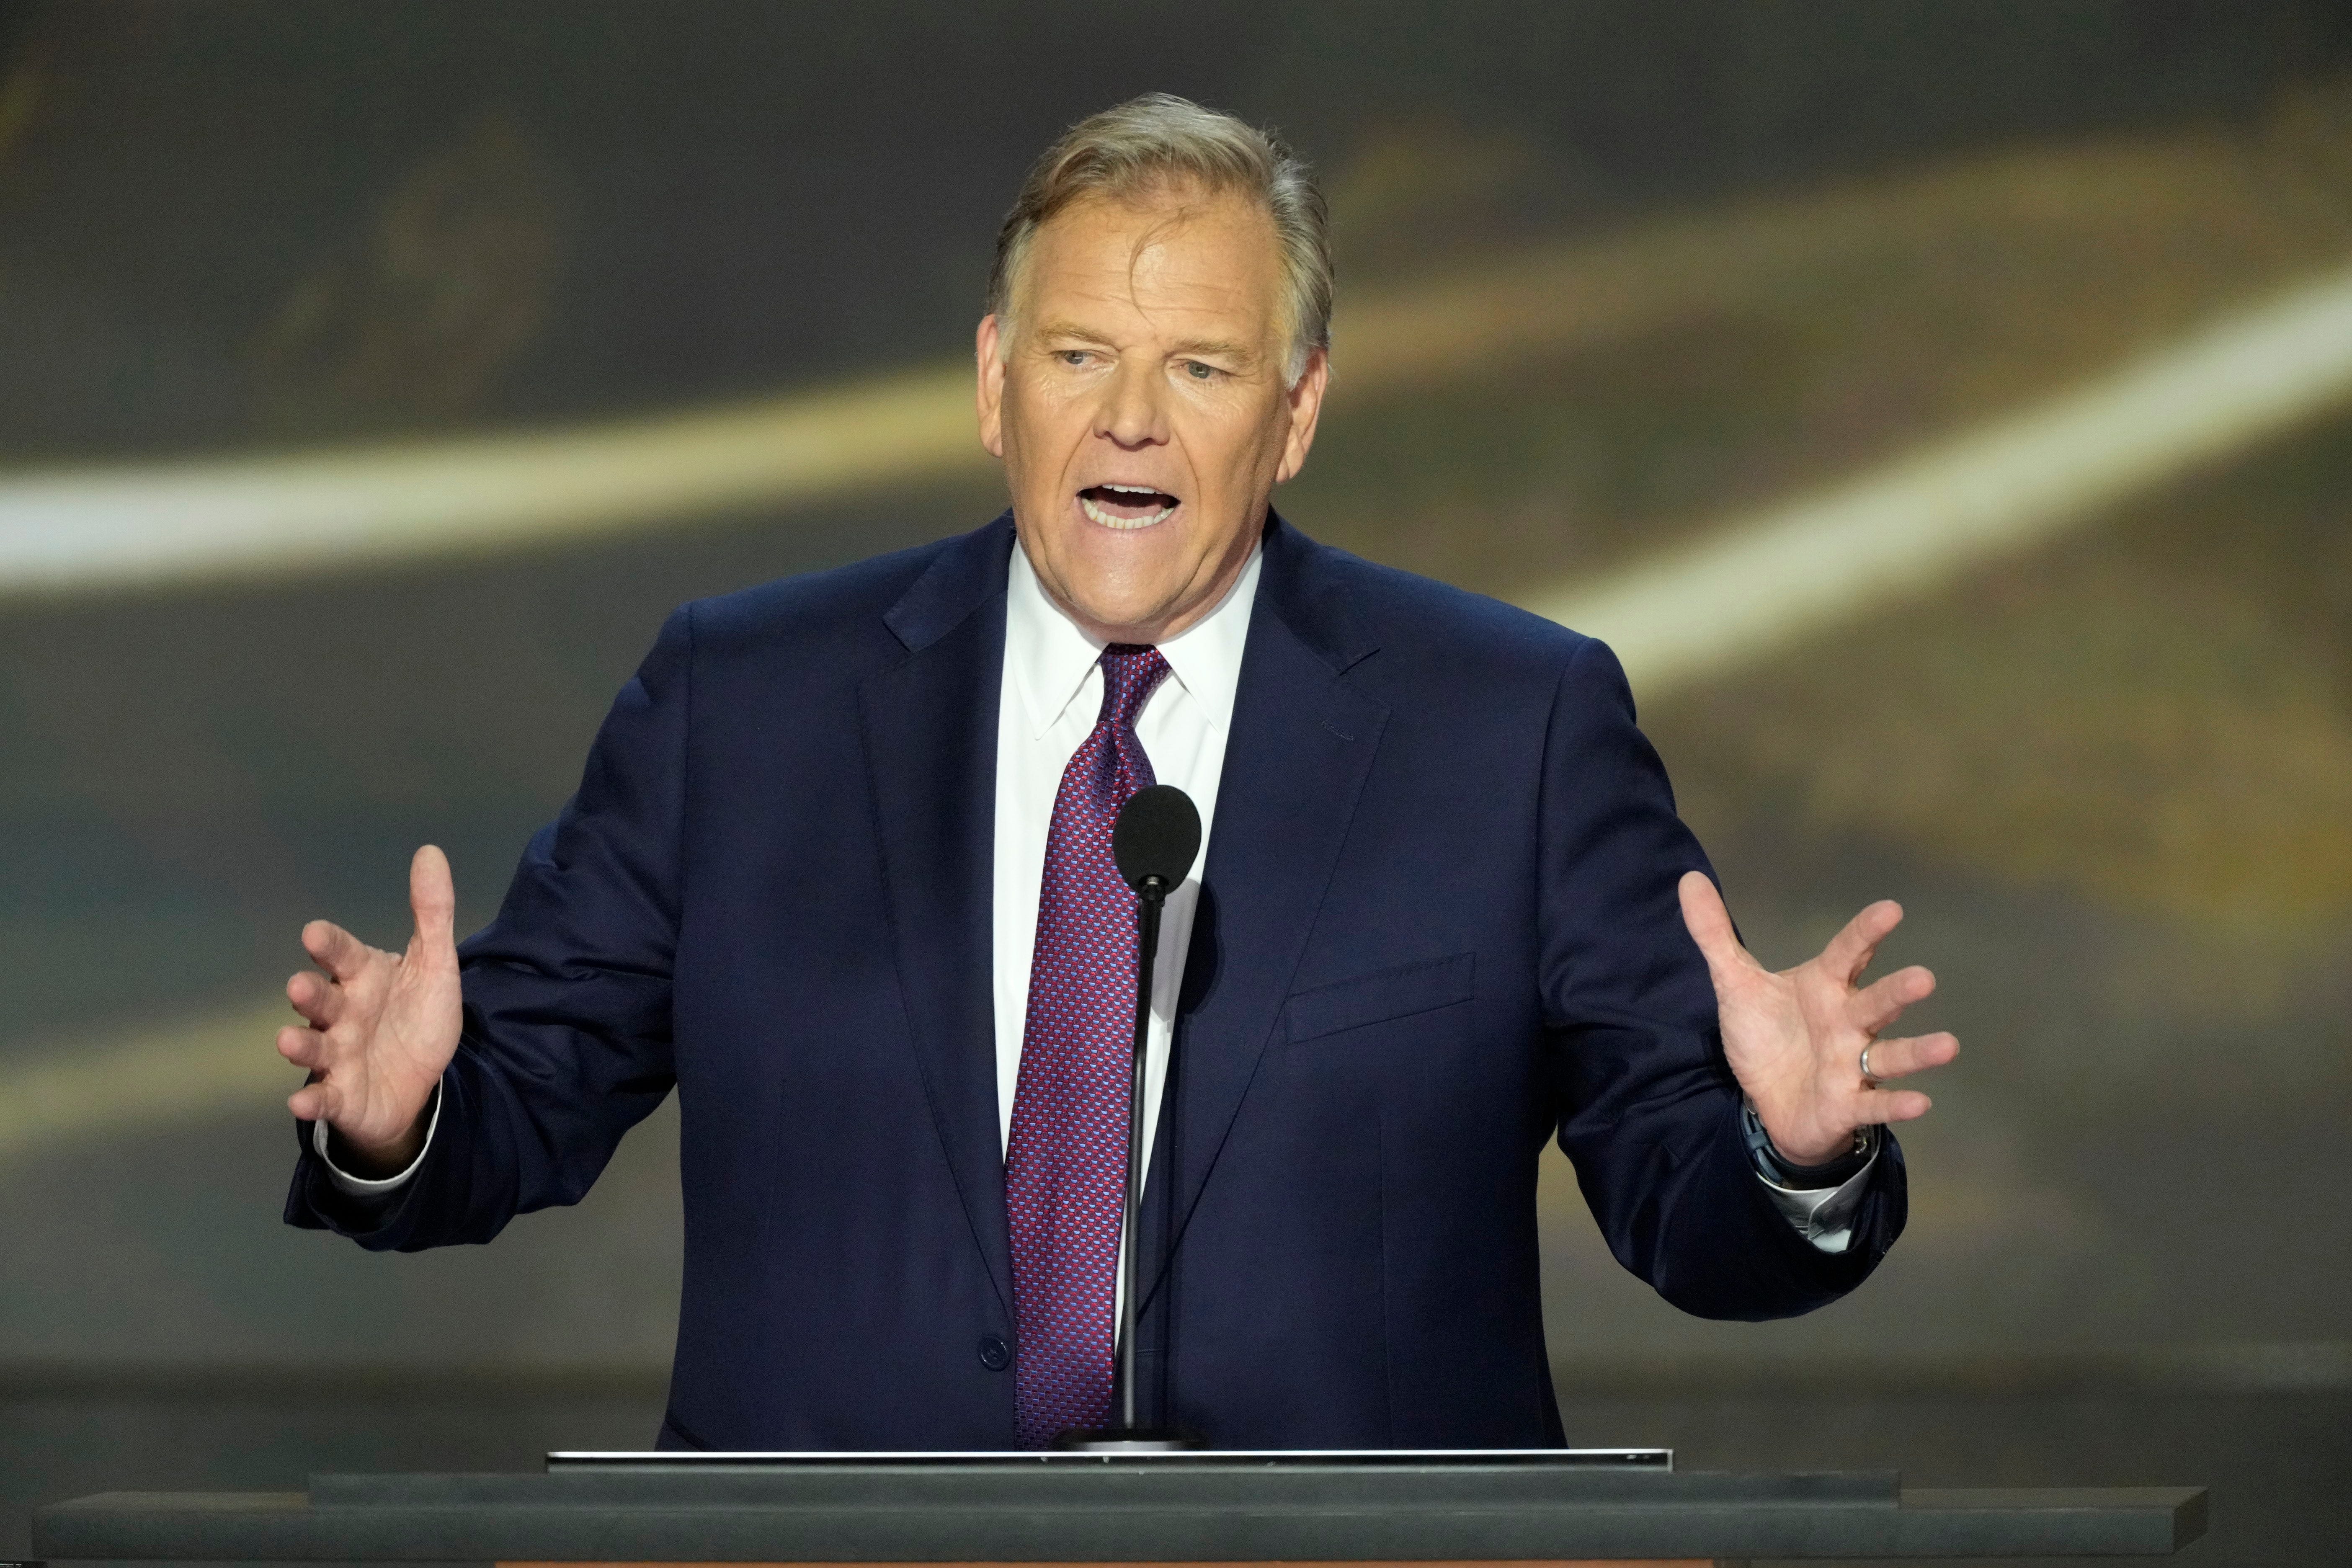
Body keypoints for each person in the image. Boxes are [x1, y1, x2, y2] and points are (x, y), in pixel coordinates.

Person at [278, 95, 1956, 1451]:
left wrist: (1788, 1158)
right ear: (996, 387)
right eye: (1081, 356)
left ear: (1295, 413)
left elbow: (1690, 1210)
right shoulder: (747, 706)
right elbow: (514, 1110)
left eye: (1202, 368)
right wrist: (403, 1116)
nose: (1132, 422)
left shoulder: (1506, 726)